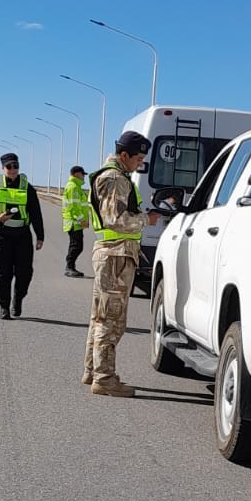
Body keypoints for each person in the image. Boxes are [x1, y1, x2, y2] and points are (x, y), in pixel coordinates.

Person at [83, 131, 160, 398]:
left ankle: (93, 370)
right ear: (124, 155)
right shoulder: (115, 179)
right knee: (111, 319)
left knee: (100, 316)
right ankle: (105, 378)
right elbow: (115, 219)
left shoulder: (117, 177)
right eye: (138, 158)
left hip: (112, 253)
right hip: (115, 255)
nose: (140, 164)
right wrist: (146, 220)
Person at [0, 152, 44, 319]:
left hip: (22, 235)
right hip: (1, 235)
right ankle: (4, 307)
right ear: (2, 168)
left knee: (25, 273)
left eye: (15, 166)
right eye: (9, 166)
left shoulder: (27, 187)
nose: (13, 169)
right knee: (4, 273)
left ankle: (18, 299)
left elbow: (36, 213)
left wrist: (40, 236)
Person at [62, 165, 89, 277]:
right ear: (77, 174)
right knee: (76, 246)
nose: (84, 177)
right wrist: (81, 220)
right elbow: (74, 207)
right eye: (83, 174)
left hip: (75, 222)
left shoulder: (75, 187)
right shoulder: (73, 187)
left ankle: (71, 267)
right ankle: (69, 267)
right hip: (74, 222)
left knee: (76, 245)